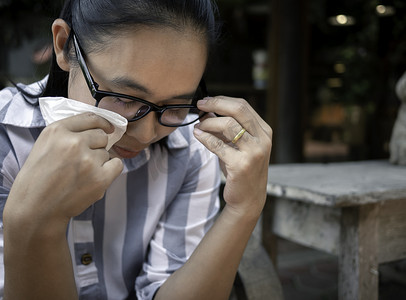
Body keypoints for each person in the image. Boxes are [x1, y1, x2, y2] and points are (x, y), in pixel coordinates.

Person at [0, 0, 272, 299]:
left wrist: (243, 209)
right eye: (123, 98)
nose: (145, 134)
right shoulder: (7, 140)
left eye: (174, 106)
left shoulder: (194, 149)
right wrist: (32, 223)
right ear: (64, 46)